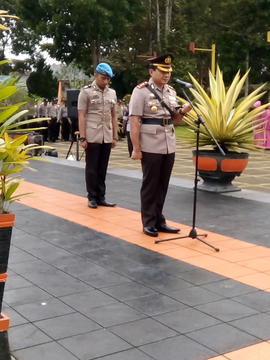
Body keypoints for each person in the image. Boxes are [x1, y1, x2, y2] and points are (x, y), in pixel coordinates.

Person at [129, 54, 192, 237]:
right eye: (163, 71)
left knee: (163, 184)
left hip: (168, 143)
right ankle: (148, 222)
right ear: (152, 71)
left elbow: (175, 119)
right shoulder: (141, 91)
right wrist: (136, 148)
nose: (166, 75)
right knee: (150, 184)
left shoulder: (171, 92)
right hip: (150, 143)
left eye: (169, 72)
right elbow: (134, 121)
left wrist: (183, 111)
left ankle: (159, 220)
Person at [78, 62, 118, 208]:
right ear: (95, 75)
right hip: (92, 134)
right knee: (92, 168)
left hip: (106, 135)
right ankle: (92, 197)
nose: (105, 81)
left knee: (103, 167)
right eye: (103, 78)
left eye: (108, 79)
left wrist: (115, 135)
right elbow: (82, 115)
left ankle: (101, 197)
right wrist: (82, 137)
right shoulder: (86, 92)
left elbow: (114, 116)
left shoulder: (112, 93)